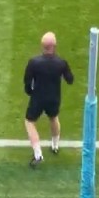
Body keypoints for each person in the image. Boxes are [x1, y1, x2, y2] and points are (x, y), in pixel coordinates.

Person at [23, 32, 74, 167]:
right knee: (53, 118)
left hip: (38, 98)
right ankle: (55, 145)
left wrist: (30, 92)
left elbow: (27, 82)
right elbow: (70, 80)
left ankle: (38, 154)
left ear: (42, 46)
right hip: (54, 97)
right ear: (54, 46)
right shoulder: (61, 63)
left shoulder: (34, 62)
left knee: (29, 122)